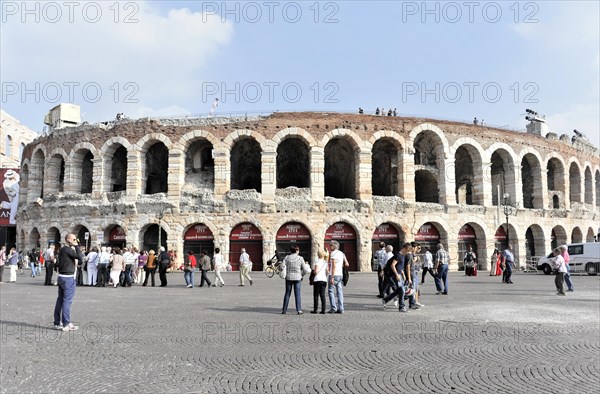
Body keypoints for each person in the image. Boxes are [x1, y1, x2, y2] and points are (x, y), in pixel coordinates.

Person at [53, 233, 86, 331]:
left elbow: (78, 260)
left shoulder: (63, 250)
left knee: (60, 300)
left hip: (62, 277)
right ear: (68, 240)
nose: (76, 241)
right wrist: (76, 246)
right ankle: (66, 323)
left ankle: (58, 322)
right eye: (74, 239)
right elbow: (81, 257)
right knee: (67, 301)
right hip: (68, 278)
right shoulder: (67, 250)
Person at [381, 243, 418, 312]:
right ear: (404, 248)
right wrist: (397, 275)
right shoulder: (398, 255)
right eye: (407, 250)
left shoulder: (402, 256)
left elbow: (400, 266)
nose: (408, 252)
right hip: (395, 275)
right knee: (402, 290)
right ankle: (401, 307)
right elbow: (393, 265)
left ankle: (386, 299)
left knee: (399, 290)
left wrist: (403, 274)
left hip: (399, 274)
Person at [281, 245, 306, 315]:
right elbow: (305, 269)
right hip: (298, 278)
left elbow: (282, 267)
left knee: (287, 293)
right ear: (297, 251)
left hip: (288, 277)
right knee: (297, 294)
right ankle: (299, 310)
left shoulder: (286, 258)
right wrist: (302, 274)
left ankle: (284, 310)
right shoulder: (300, 258)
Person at [328, 240, 349, 314]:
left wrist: (332, 277)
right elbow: (347, 264)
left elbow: (333, 266)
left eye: (330, 245)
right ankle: (341, 308)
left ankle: (333, 308)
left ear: (334, 246)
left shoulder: (333, 253)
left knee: (331, 291)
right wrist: (341, 264)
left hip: (334, 274)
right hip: (340, 274)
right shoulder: (342, 253)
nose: (330, 247)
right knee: (339, 292)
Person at [311, 249, 328, 314]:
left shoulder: (317, 262)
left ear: (318, 255)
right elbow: (327, 272)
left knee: (316, 295)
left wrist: (313, 273)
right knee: (322, 295)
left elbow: (316, 271)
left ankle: (315, 309)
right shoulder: (325, 262)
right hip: (324, 280)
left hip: (317, 279)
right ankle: (323, 309)